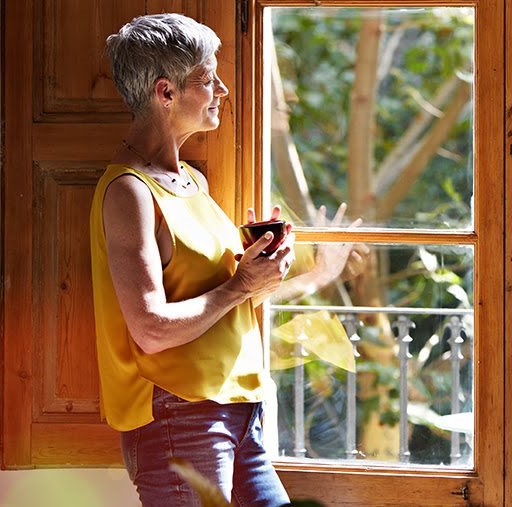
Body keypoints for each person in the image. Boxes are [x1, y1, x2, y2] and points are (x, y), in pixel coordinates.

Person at [89, 13, 363, 506]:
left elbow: (225, 300)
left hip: (239, 409)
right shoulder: (128, 190)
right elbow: (150, 328)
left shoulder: (193, 182)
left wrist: (278, 272)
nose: (223, 89)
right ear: (165, 92)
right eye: (207, 78)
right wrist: (240, 285)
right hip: (179, 416)